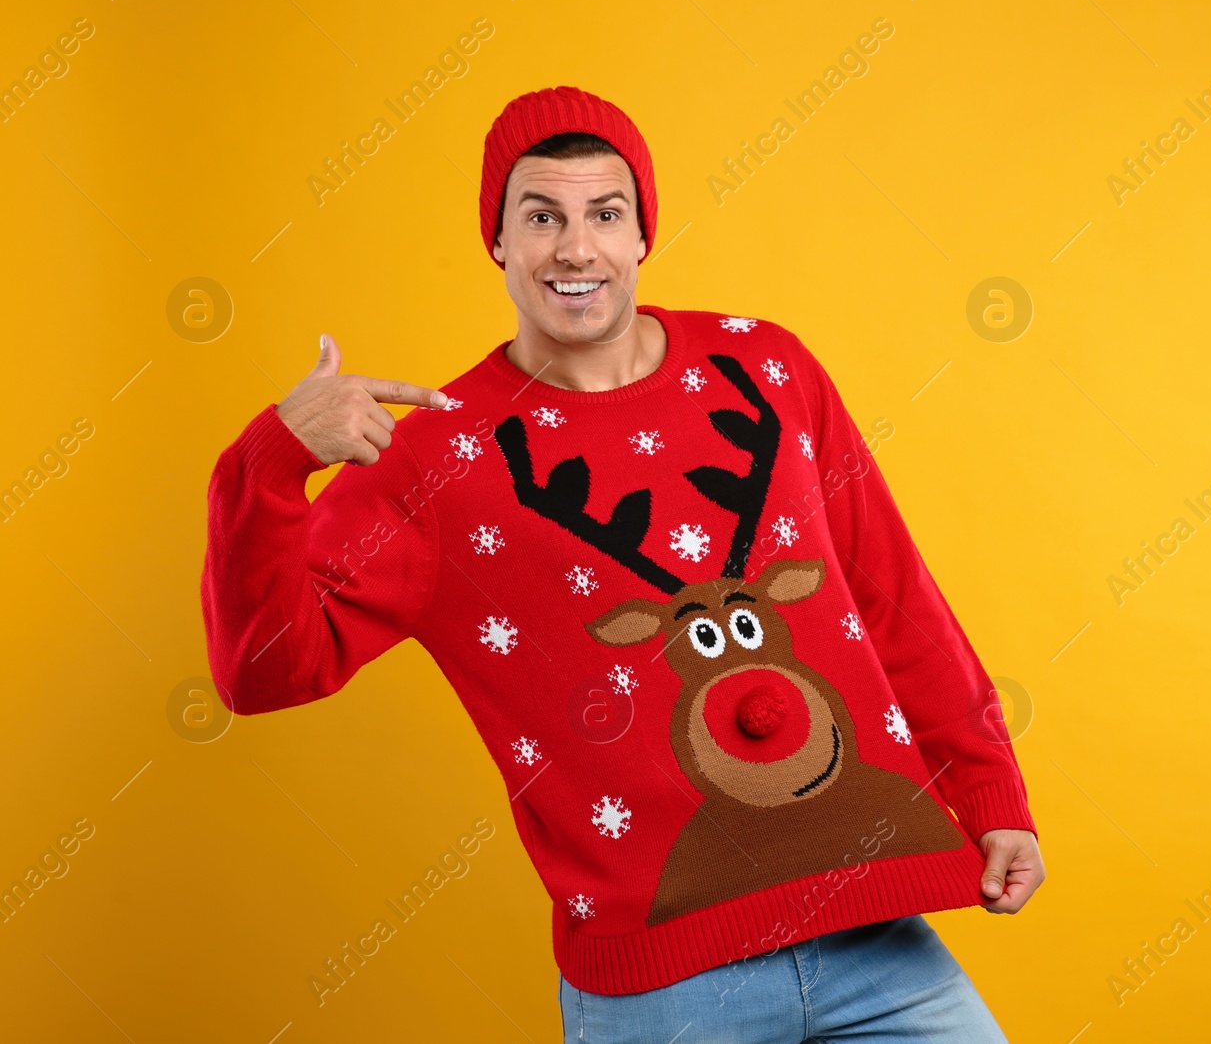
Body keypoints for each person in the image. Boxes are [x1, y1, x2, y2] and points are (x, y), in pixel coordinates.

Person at [203, 85, 1044, 1041]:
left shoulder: (767, 371)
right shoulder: (437, 460)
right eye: (541, 217)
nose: (575, 248)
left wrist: (987, 791)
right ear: (499, 242)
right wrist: (269, 463)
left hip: (875, 938)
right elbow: (264, 671)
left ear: (642, 233)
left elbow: (891, 595)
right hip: (662, 990)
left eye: (605, 214)